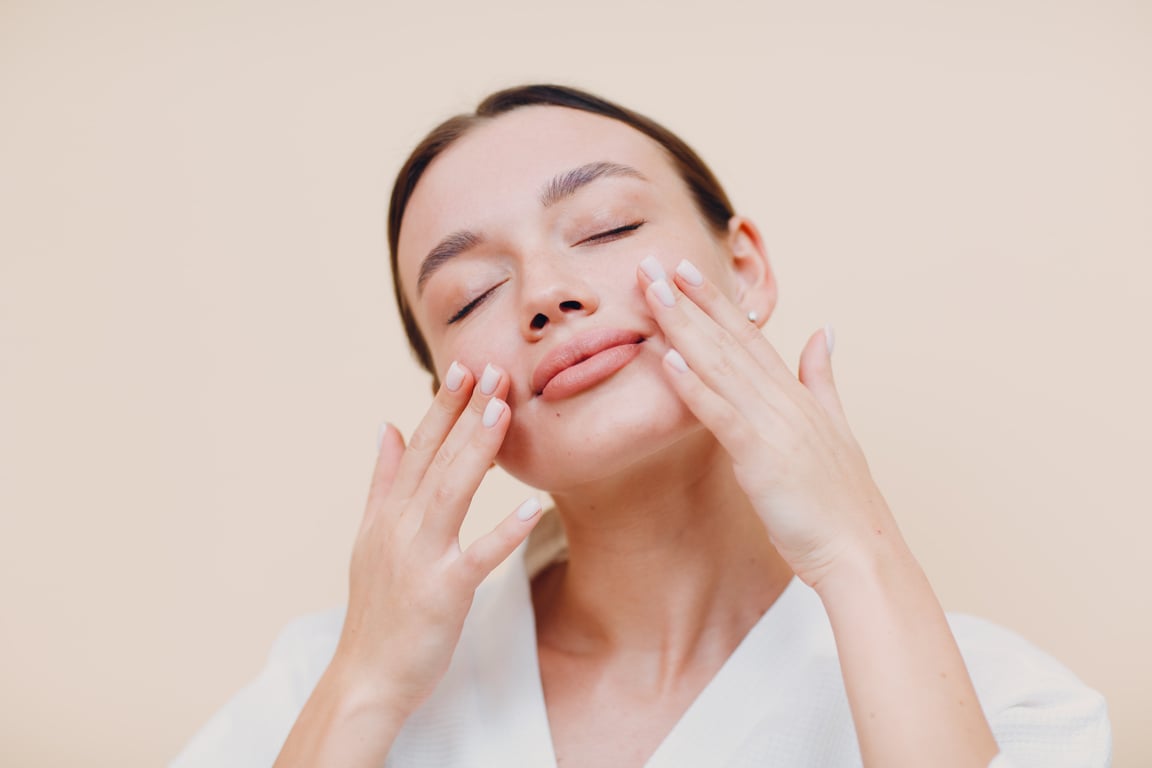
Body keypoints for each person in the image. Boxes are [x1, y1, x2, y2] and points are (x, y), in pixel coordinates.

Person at [172, 85, 1111, 767]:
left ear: (743, 268)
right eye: (472, 295)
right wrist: (365, 688)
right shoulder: (319, 685)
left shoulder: (1014, 706)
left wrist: (860, 555)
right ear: (449, 395)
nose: (545, 294)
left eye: (608, 226)